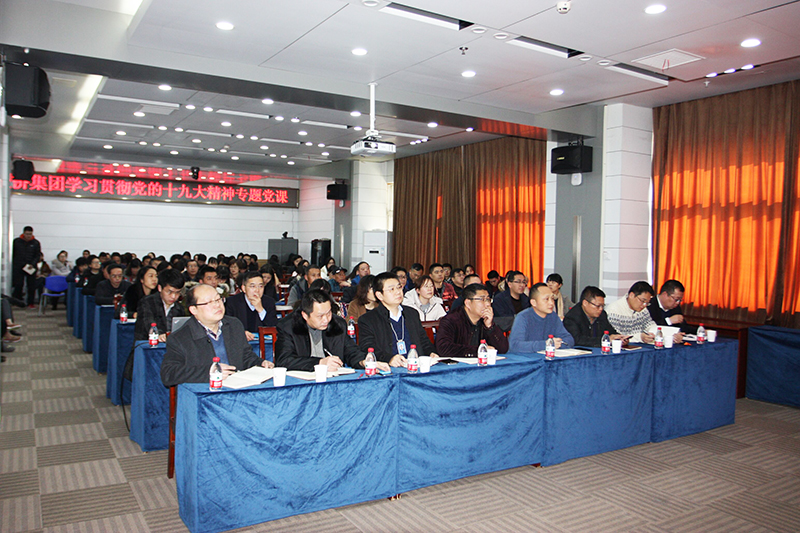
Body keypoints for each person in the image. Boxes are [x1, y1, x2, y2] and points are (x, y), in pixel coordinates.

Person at [161, 284, 273, 387]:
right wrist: (210, 372)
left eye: (218, 299)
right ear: (194, 309)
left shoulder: (234, 325)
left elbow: (245, 356)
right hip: (205, 394)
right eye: (209, 302)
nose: (217, 305)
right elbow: (169, 374)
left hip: (237, 389)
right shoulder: (180, 338)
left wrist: (261, 363)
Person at [275, 289, 389, 373]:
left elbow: (351, 351)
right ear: (305, 315)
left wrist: (364, 361)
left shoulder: (337, 323)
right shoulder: (288, 326)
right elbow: (284, 361)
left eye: (329, 313)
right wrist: (319, 363)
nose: (326, 319)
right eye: (320, 316)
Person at [357, 272, 437, 366]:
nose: (398, 292)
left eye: (399, 287)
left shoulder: (412, 313)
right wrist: (389, 359)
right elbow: (368, 348)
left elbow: (424, 341)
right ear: (379, 295)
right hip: (389, 369)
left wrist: (431, 353)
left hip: (416, 367)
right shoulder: (368, 319)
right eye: (391, 289)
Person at [435, 283, 509, 358]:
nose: (487, 304)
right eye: (482, 299)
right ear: (468, 303)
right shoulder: (451, 320)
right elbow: (443, 348)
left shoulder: (485, 320)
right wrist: (478, 351)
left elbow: (503, 349)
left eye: (488, 299)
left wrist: (490, 327)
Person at [509, 283, 574, 353]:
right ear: (533, 302)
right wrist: (545, 344)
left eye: (552, 298)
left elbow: (569, 339)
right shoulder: (523, 317)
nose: (551, 303)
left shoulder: (553, 316)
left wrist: (557, 344)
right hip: (525, 358)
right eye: (546, 299)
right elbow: (515, 346)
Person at [563, 286, 629, 348]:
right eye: (598, 306)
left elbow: (610, 331)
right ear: (585, 303)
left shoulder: (602, 314)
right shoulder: (572, 317)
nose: (601, 309)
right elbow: (577, 340)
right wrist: (605, 340)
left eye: (602, 306)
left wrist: (620, 338)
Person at [134, 269, 186, 341]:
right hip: (146, 344)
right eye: (169, 292)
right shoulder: (147, 302)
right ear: (160, 288)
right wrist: (159, 334)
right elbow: (148, 322)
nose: (173, 296)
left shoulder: (179, 308)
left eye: (177, 292)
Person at [225, 271, 278, 340]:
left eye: (260, 286)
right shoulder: (232, 302)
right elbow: (227, 326)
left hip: (263, 343)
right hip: (240, 342)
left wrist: (261, 310)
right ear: (244, 288)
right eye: (252, 286)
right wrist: (240, 333)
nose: (257, 290)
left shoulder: (269, 302)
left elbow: (274, 327)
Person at [12, 226, 41, 307]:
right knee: (18, 284)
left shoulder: (35, 243)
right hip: (18, 266)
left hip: (31, 267)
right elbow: (13, 254)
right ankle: (18, 301)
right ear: (23, 233)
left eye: (30, 234)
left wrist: (33, 264)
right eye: (27, 234)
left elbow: (37, 255)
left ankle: (30, 302)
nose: (28, 236)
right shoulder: (17, 242)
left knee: (31, 286)